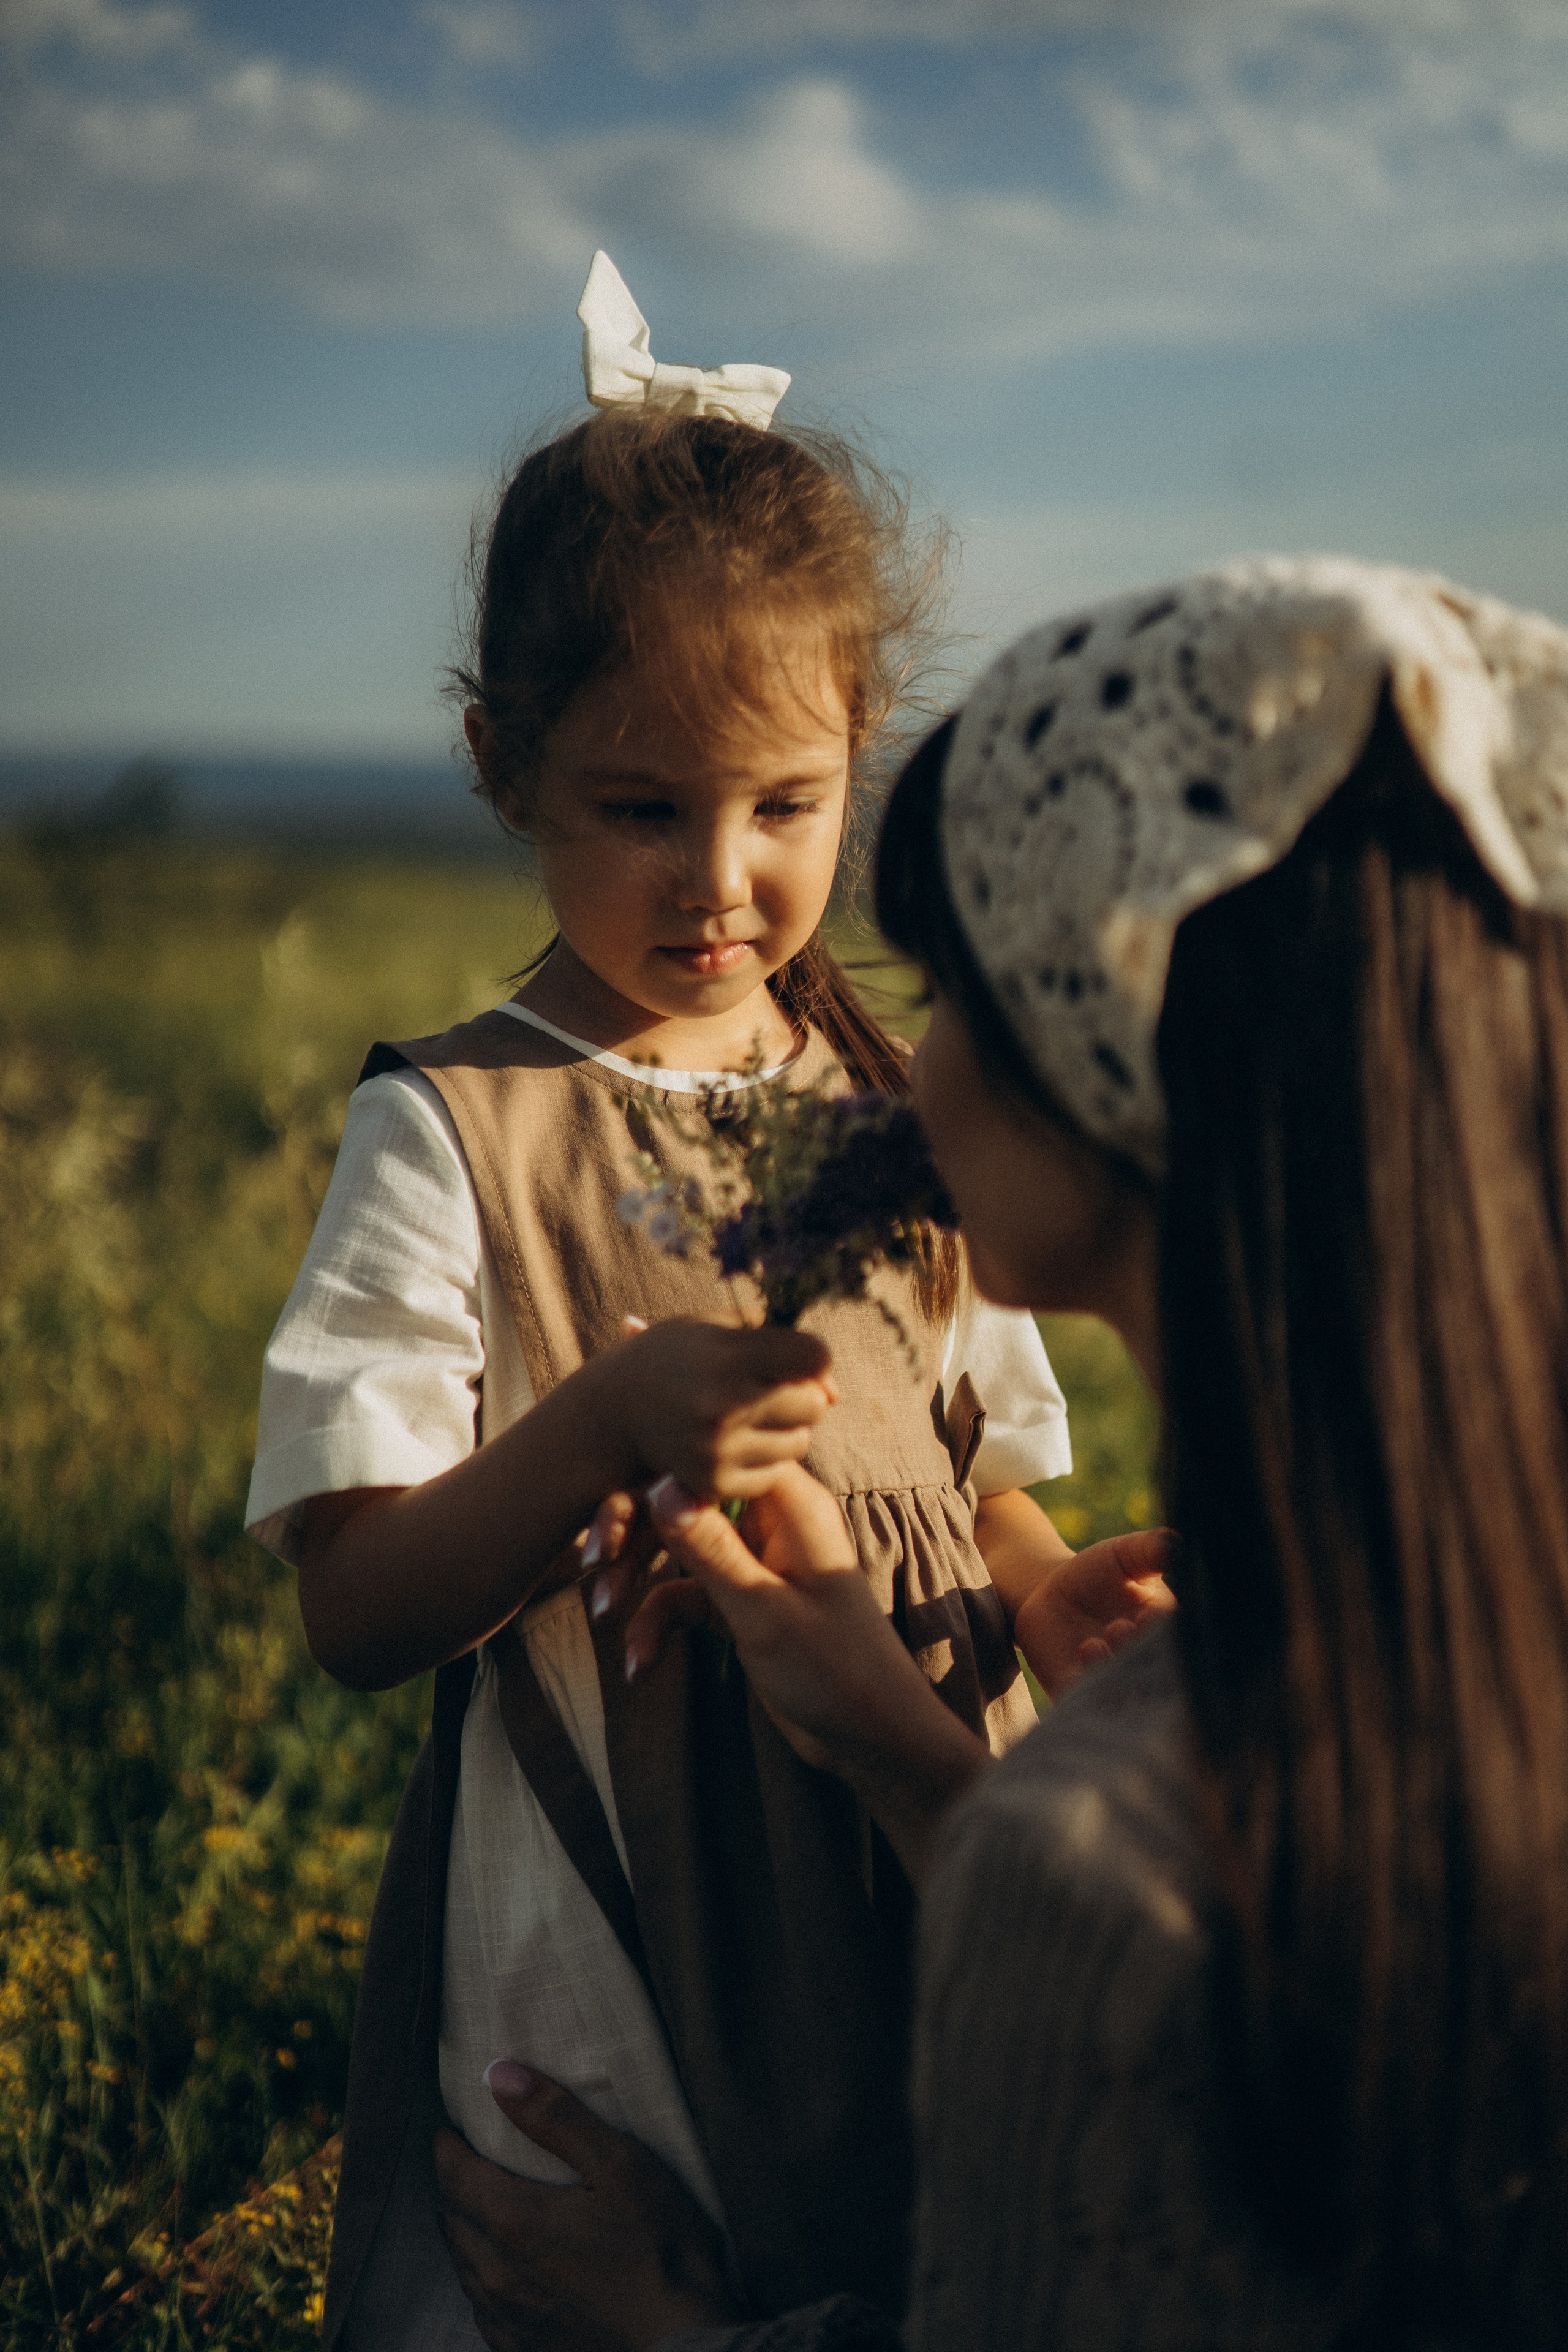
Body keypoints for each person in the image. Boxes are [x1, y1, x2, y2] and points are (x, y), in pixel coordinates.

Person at [433, 557, 1568, 2350]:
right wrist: (901, 1745)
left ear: (1117, 1068)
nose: (905, 1057)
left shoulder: (1100, 1861)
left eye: (961, 986)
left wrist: (682, 2340)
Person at [245, 258, 1159, 2351]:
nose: (718, 882)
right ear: (501, 766)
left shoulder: (870, 1101)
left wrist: (1035, 1595)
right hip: (624, 1894)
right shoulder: (462, 1129)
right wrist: (599, 1430)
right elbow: (358, 1616)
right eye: (638, 809)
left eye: (783, 808)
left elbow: (958, 1459)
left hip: (913, 1806)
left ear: (859, 765)